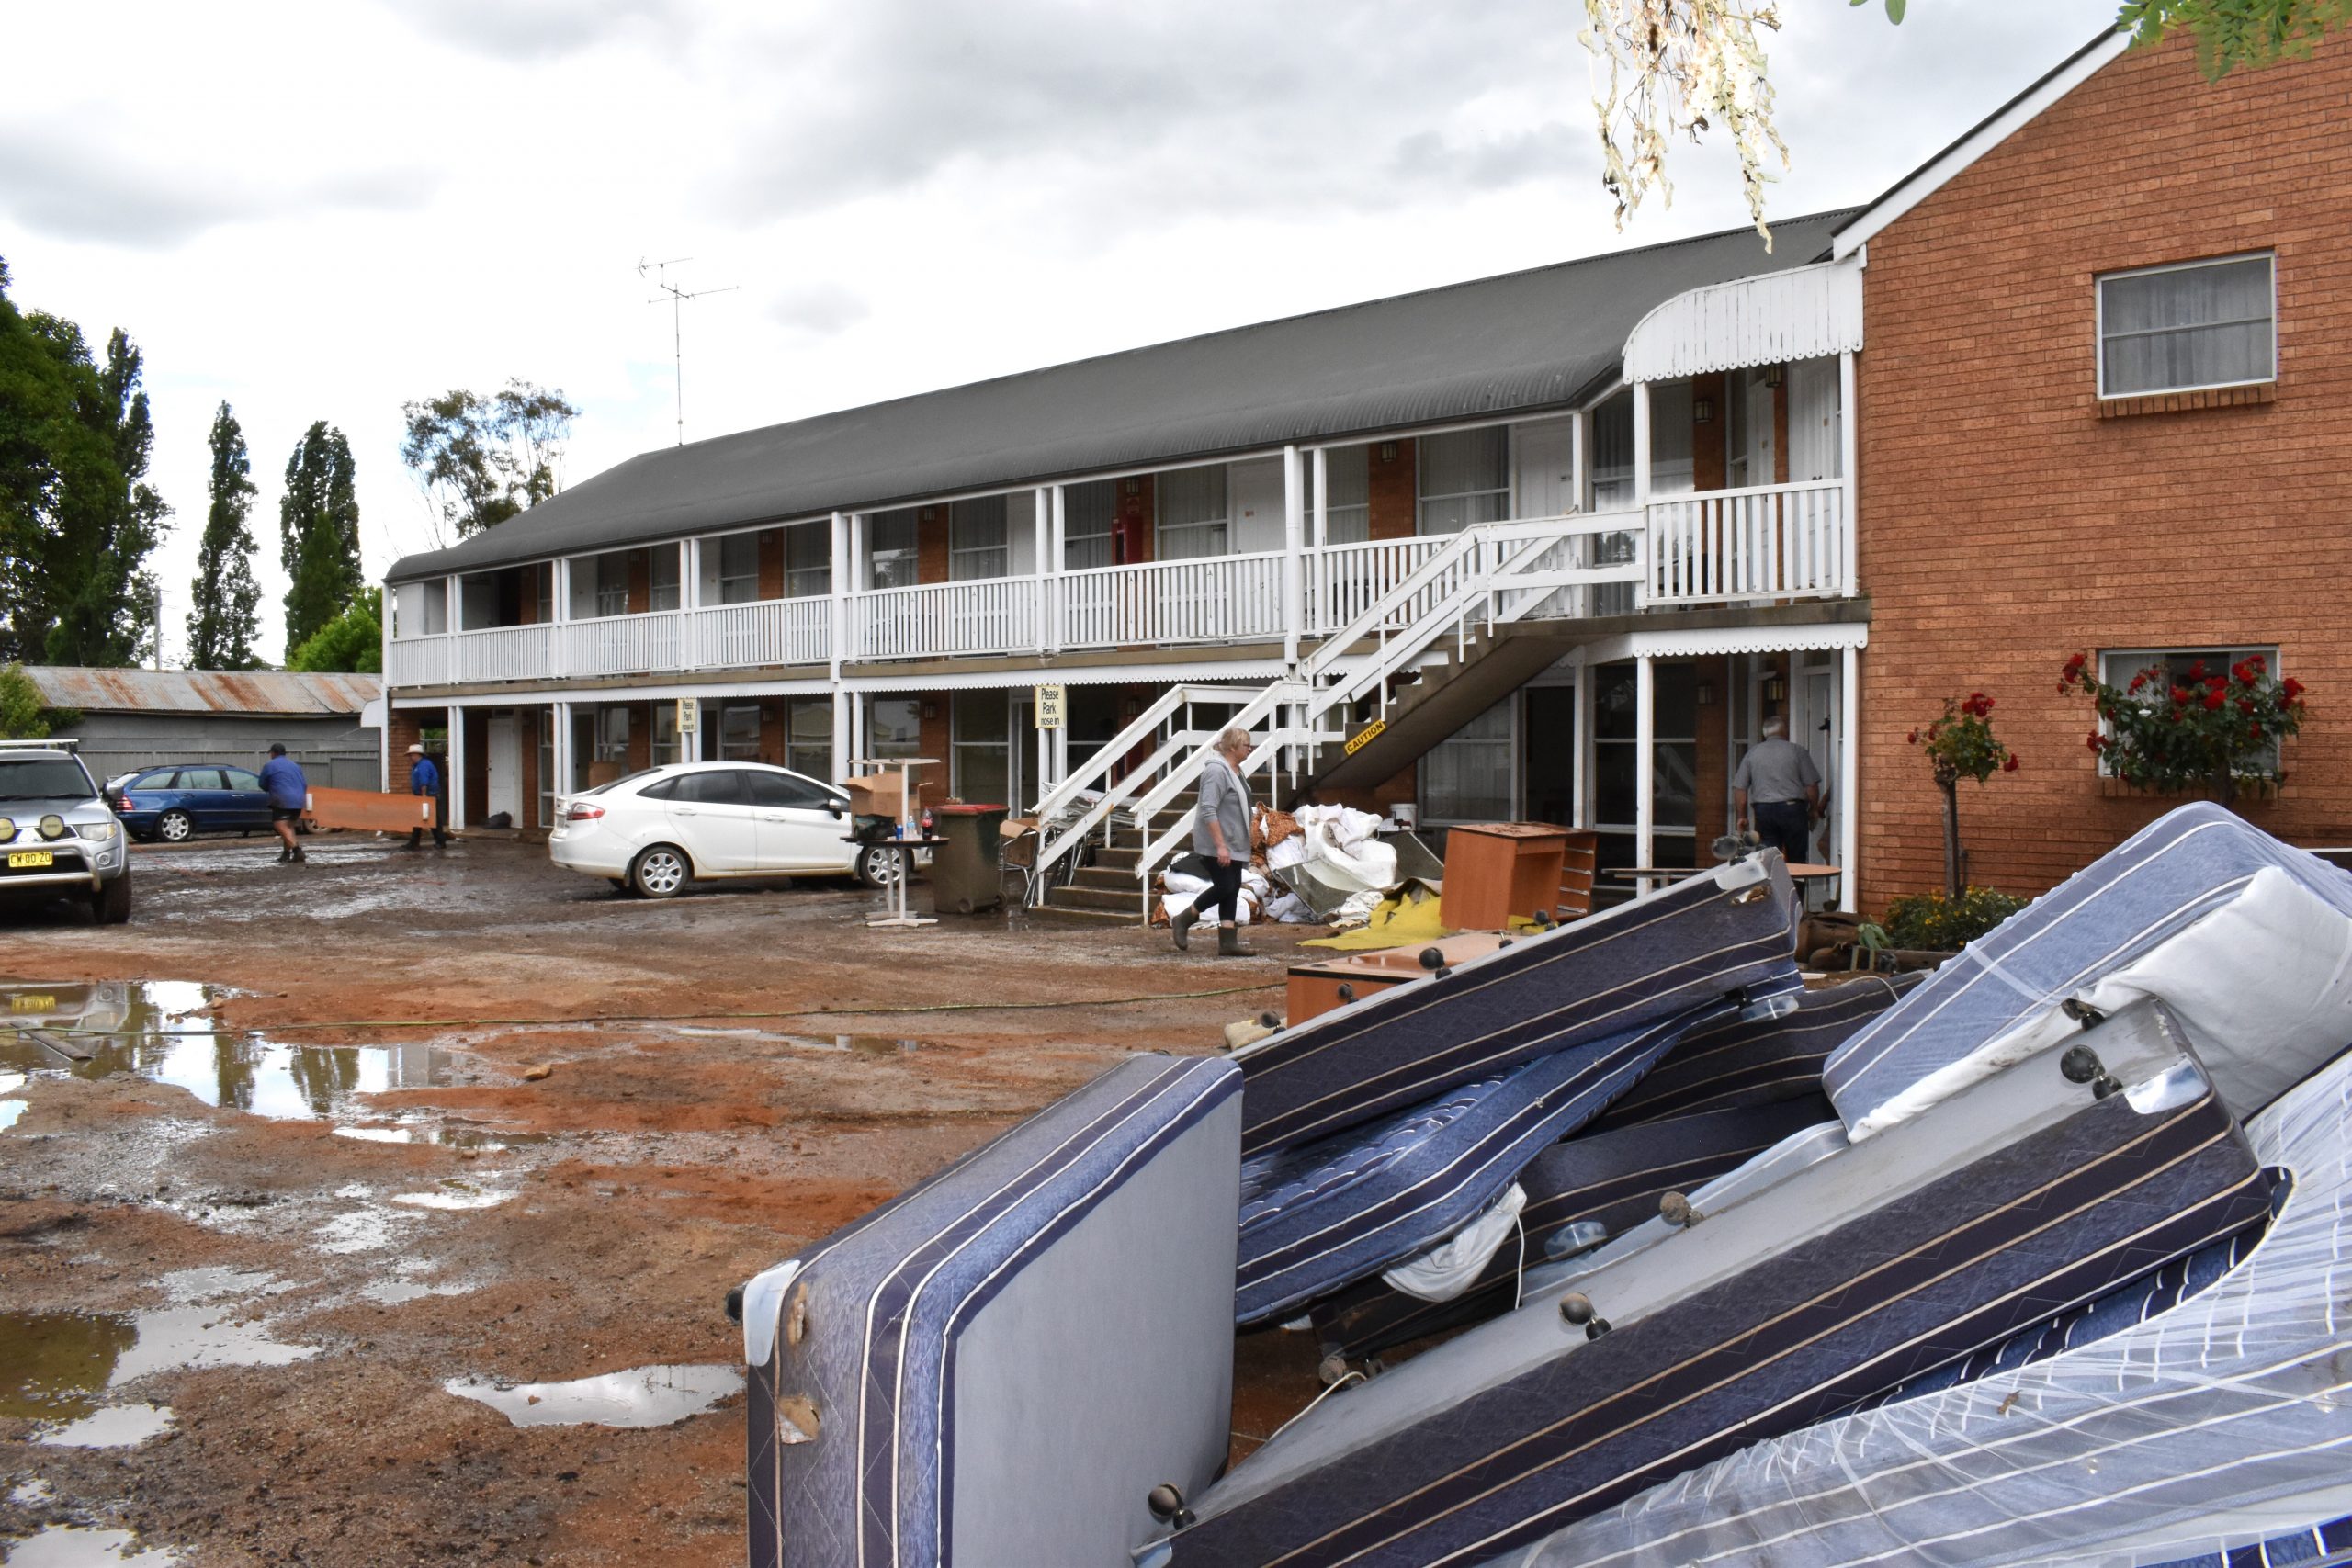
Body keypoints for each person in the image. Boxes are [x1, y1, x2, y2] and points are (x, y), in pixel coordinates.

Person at [1170, 727, 1255, 958]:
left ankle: (1227, 941)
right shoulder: (1217, 772)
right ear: (1232, 747)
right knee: (1225, 885)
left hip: (1235, 841)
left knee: (1233, 886)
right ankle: (1185, 918)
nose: (1250, 748)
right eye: (1246, 744)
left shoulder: (1236, 771)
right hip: (1219, 842)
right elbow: (1208, 809)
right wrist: (1220, 845)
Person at [1732, 716, 1822, 868]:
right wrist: (1813, 810)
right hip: (1792, 809)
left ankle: (1772, 890)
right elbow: (1811, 785)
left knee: (1769, 858)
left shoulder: (1752, 753)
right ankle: (1796, 890)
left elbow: (1740, 788)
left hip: (1764, 811)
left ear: (1765, 734)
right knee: (1797, 858)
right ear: (1784, 731)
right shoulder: (1797, 751)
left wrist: (1742, 816)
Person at [259, 743, 308, 864]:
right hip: (299, 799)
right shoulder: (295, 765)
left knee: (280, 825)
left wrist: (270, 788)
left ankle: (297, 850)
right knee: (289, 827)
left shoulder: (270, 765)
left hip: (282, 799)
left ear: (273, 753)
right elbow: (304, 784)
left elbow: (262, 784)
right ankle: (286, 854)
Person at [404, 742, 447, 852]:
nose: (410, 757)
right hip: (423, 795)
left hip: (428, 795)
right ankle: (415, 842)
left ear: (417, 755)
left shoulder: (423, 765)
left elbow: (424, 782)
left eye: (412, 755)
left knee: (433, 819)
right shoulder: (417, 765)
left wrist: (423, 796)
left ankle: (440, 842)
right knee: (418, 819)